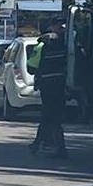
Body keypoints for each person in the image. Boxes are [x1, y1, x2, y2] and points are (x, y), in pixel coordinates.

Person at [27, 17, 68, 158]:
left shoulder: (43, 43)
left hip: (48, 85)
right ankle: (49, 145)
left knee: (48, 116)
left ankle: (40, 143)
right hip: (61, 85)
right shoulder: (68, 42)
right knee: (54, 117)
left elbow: (31, 67)